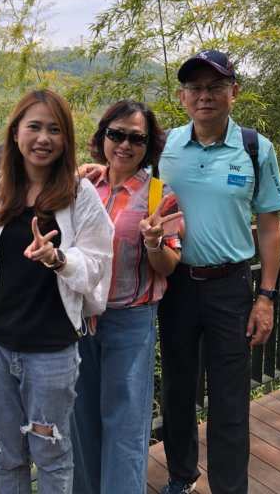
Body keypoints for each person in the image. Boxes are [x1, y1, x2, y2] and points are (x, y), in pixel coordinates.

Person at [0, 88, 114, 494]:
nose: (43, 138)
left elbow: (97, 263)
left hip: (52, 353)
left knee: (52, 456)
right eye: (34, 127)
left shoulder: (81, 196)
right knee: (6, 453)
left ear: (66, 140)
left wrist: (58, 258)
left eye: (54, 130)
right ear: (16, 133)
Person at [158, 50, 280, 494]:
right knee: (176, 389)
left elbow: (270, 228)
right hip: (174, 284)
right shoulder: (166, 146)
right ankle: (180, 476)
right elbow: (127, 178)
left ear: (234, 92)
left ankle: (230, 487)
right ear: (182, 97)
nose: (204, 96)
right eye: (195, 88)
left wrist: (266, 296)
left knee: (230, 398)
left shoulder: (255, 148)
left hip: (230, 286)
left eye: (215, 86)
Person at [72, 100, 183, 494]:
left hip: (130, 323)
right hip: (81, 322)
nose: (124, 144)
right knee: (80, 424)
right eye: (116, 134)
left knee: (125, 427)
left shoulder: (158, 196)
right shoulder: (82, 186)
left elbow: (168, 264)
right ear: (102, 136)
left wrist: (154, 243)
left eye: (136, 138)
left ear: (148, 145)